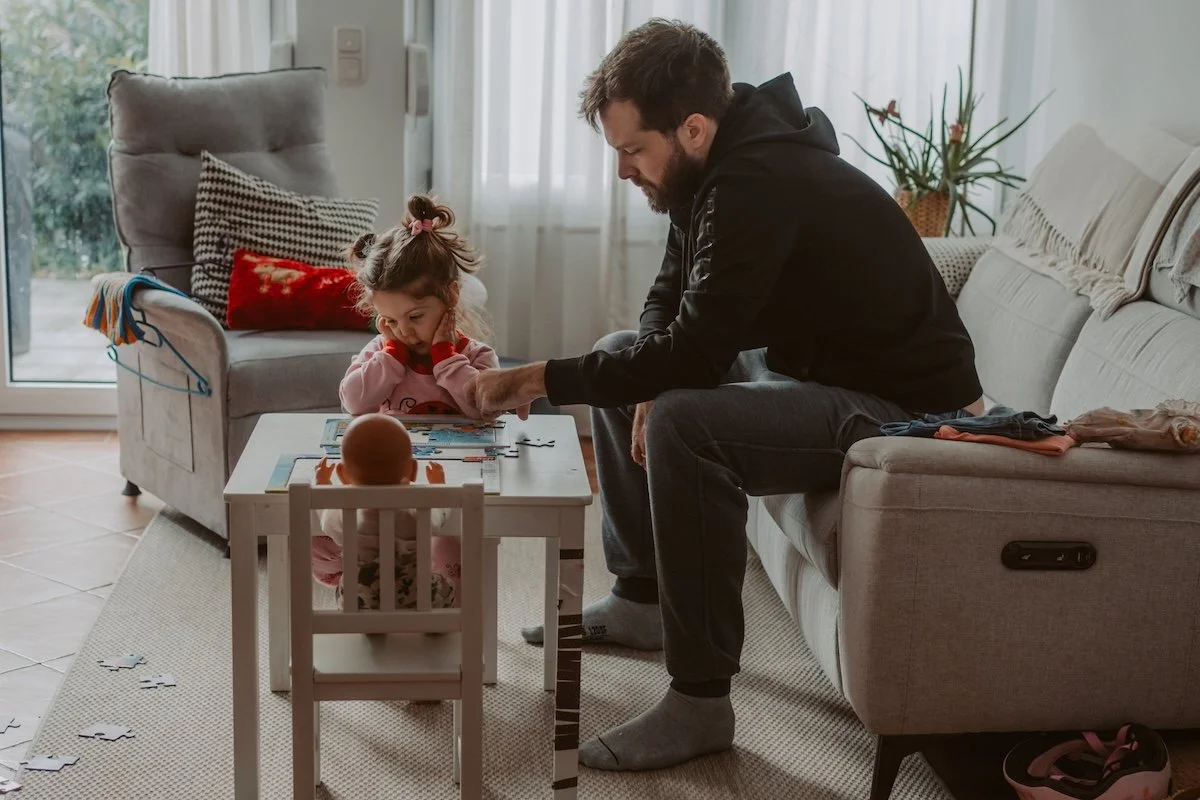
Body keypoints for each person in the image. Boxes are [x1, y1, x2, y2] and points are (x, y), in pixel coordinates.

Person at [466, 19, 984, 772]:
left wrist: (540, 376)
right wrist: (648, 364)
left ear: (694, 128)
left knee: (682, 421)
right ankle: (641, 596)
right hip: (816, 373)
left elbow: (698, 349)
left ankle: (701, 702)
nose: (622, 172)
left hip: (903, 407)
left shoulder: (756, 182)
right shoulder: (714, 165)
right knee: (621, 356)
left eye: (631, 151)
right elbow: (667, 299)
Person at [340, 193, 500, 419]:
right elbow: (353, 404)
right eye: (391, 321)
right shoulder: (382, 352)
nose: (403, 331)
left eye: (415, 317)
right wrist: (392, 356)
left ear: (451, 295)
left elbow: (488, 410)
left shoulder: (478, 357)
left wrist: (446, 359)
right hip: (397, 455)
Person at [309, 413, 459, 610]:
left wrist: (323, 485)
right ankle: (432, 629)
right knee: (446, 587)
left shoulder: (346, 513)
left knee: (347, 588)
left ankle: (372, 627)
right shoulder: (418, 509)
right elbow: (439, 514)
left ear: (343, 475)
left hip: (361, 601)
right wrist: (439, 487)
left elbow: (325, 518)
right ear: (412, 470)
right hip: (418, 596)